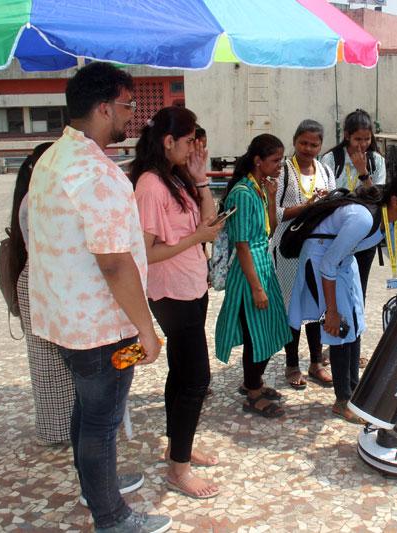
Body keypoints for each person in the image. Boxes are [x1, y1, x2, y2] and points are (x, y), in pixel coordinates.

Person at [27, 62, 170, 533]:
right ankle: (111, 516)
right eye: (129, 106)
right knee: (101, 421)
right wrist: (146, 329)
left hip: (66, 321)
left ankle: (97, 486)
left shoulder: (51, 157)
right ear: (104, 107)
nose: (133, 116)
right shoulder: (97, 173)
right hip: (101, 328)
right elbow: (113, 261)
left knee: (87, 412)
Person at [130, 107, 222, 499]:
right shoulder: (150, 185)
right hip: (170, 292)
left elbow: (211, 224)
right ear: (168, 142)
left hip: (191, 286)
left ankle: (176, 446)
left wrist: (200, 180)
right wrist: (195, 236)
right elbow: (146, 253)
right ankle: (178, 470)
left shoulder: (177, 178)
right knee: (196, 378)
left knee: (182, 373)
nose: (191, 150)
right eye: (187, 143)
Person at [288, 173, 397, 422]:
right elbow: (328, 264)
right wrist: (331, 310)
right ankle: (343, 400)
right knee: (340, 327)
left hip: (342, 259)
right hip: (321, 258)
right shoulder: (363, 219)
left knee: (355, 322)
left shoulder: (393, 219)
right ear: (395, 200)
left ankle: (353, 389)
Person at [214, 134, 292, 418]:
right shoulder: (243, 194)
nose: (280, 166)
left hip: (262, 265)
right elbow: (242, 244)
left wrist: (272, 197)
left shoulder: (258, 188)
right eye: (275, 161)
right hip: (250, 273)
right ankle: (252, 391)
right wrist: (257, 288)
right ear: (258, 161)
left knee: (268, 329)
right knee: (256, 333)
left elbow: (270, 227)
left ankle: (254, 382)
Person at [9, 142, 75, 446]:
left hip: (40, 282)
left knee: (50, 364)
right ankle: (64, 429)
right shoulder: (39, 199)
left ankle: (59, 429)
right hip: (46, 283)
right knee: (53, 363)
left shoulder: (30, 198)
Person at [270, 119, 336, 390]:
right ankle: (291, 363)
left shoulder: (325, 171)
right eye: (303, 143)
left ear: (321, 145)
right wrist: (307, 207)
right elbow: (274, 213)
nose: (308, 148)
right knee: (291, 306)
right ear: (295, 141)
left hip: (317, 249)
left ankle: (317, 362)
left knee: (316, 304)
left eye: (314, 144)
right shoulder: (283, 171)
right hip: (289, 249)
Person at [321, 109, 387, 368]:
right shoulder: (331, 159)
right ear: (347, 136)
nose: (362, 145)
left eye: (366, 140)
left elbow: (378, 197)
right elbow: (325, 195)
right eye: (357, 139)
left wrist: (362, 173)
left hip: (364, 237)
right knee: (332, 292)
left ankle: (354, 343)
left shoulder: (375, 161)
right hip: (336, 237)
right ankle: (331, 345)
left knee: (358, 291)